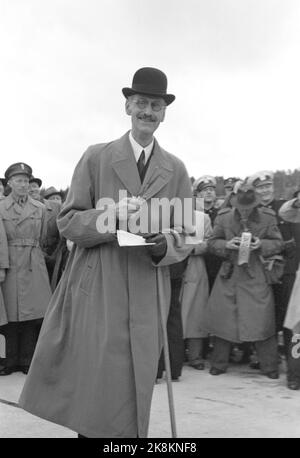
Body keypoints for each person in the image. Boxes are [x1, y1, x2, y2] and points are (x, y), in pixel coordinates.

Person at [19, 67, 193, 438]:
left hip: (148, 289)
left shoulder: (176, 169)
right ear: (128, 106)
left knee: (133, 388)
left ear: (164, 112)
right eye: (142, 103)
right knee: (96, 393)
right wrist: (109, 217)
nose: (148, 111)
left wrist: (167, 244)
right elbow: (67, 223)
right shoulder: (96, 157)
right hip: (99, 287)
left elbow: (189, 233)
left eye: (156, 105)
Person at [205, 183, 283, 378]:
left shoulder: (268, 216)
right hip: (229, 274)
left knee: (263, 321)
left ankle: (270, 366)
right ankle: (219, 363)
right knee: (224, 320)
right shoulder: (223, 218)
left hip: (256, 273)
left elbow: (278, 243)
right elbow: (212, 242)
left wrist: (261, 244)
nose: (245, 210)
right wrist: (227, 244)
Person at [248, 171, 300, 389]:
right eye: (260, 187)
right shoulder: (249, 212)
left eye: (268, 186)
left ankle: (293, 371)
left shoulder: (285, 207)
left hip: (287, 272)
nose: (265, 190)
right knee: (264, 317)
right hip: (260, 272)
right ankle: (263, 359)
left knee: (292, 322)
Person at [0, 163, 52, 375]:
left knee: (32, 315)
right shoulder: (0, 207)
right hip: (11, 261)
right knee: (10, 315)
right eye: (18, 180)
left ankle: (27, 360)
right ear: (10, 183)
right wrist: (1, 266)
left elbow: (45, 238)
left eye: (26, 181)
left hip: (33, 262)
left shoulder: (40, 208)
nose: (23, 185)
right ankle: (8, 361)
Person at [180, 201, 212, 370]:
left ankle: (195, 355)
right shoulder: (166, 212)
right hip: (173, 265)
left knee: (196, 312)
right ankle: (175, 354)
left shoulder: (203, 217)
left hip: (195, 267)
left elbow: (210, 241)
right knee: (175, 313)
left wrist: (191, 249)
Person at [278, 194, 300, 389]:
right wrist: (297, 201)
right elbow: (286, 211)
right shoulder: (294, 212)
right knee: (296, 328)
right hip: (297, 276)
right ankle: (294, 376)